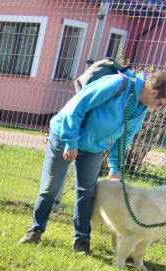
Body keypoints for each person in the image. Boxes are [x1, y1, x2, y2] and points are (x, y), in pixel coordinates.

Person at [19, 70, 166, 254]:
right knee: (51, 186)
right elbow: (77, 107)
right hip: (65, 136)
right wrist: (71, 142)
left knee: (87, 191)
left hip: (94, 147)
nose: (158, 107)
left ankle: (81, 240)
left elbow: (125, 138)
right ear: (153, 92)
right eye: (160, 103)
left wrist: (115, 168)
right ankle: (36, 229)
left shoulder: (140, 109)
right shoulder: (116, 84)